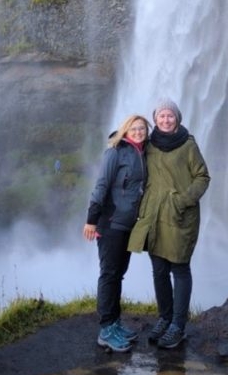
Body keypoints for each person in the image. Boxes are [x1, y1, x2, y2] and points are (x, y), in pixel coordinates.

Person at [128, 99, 210, 349]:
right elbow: (127, 149)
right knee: (159, 270)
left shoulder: (188, 145)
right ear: (155, 118)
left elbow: (203, 176)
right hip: (153, 216)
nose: (166, 120)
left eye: (170, 116)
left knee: (180, 269)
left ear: (177, 118)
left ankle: (178, 325)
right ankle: (164, 318)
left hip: (180, 216)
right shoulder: (149, 145)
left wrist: (183, 200)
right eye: (161, 115)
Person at [83, 114, 150, 353]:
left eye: (142, 128)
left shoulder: (141, 153)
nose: (139, 132)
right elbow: (101, 185)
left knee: (118, 274)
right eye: (134, 128)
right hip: (109, 222)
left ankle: (115, 323)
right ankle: (105, 331)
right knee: (109, 274)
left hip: (127, 224)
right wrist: (92, 220)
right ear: (125, 130)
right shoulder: (115, 151)